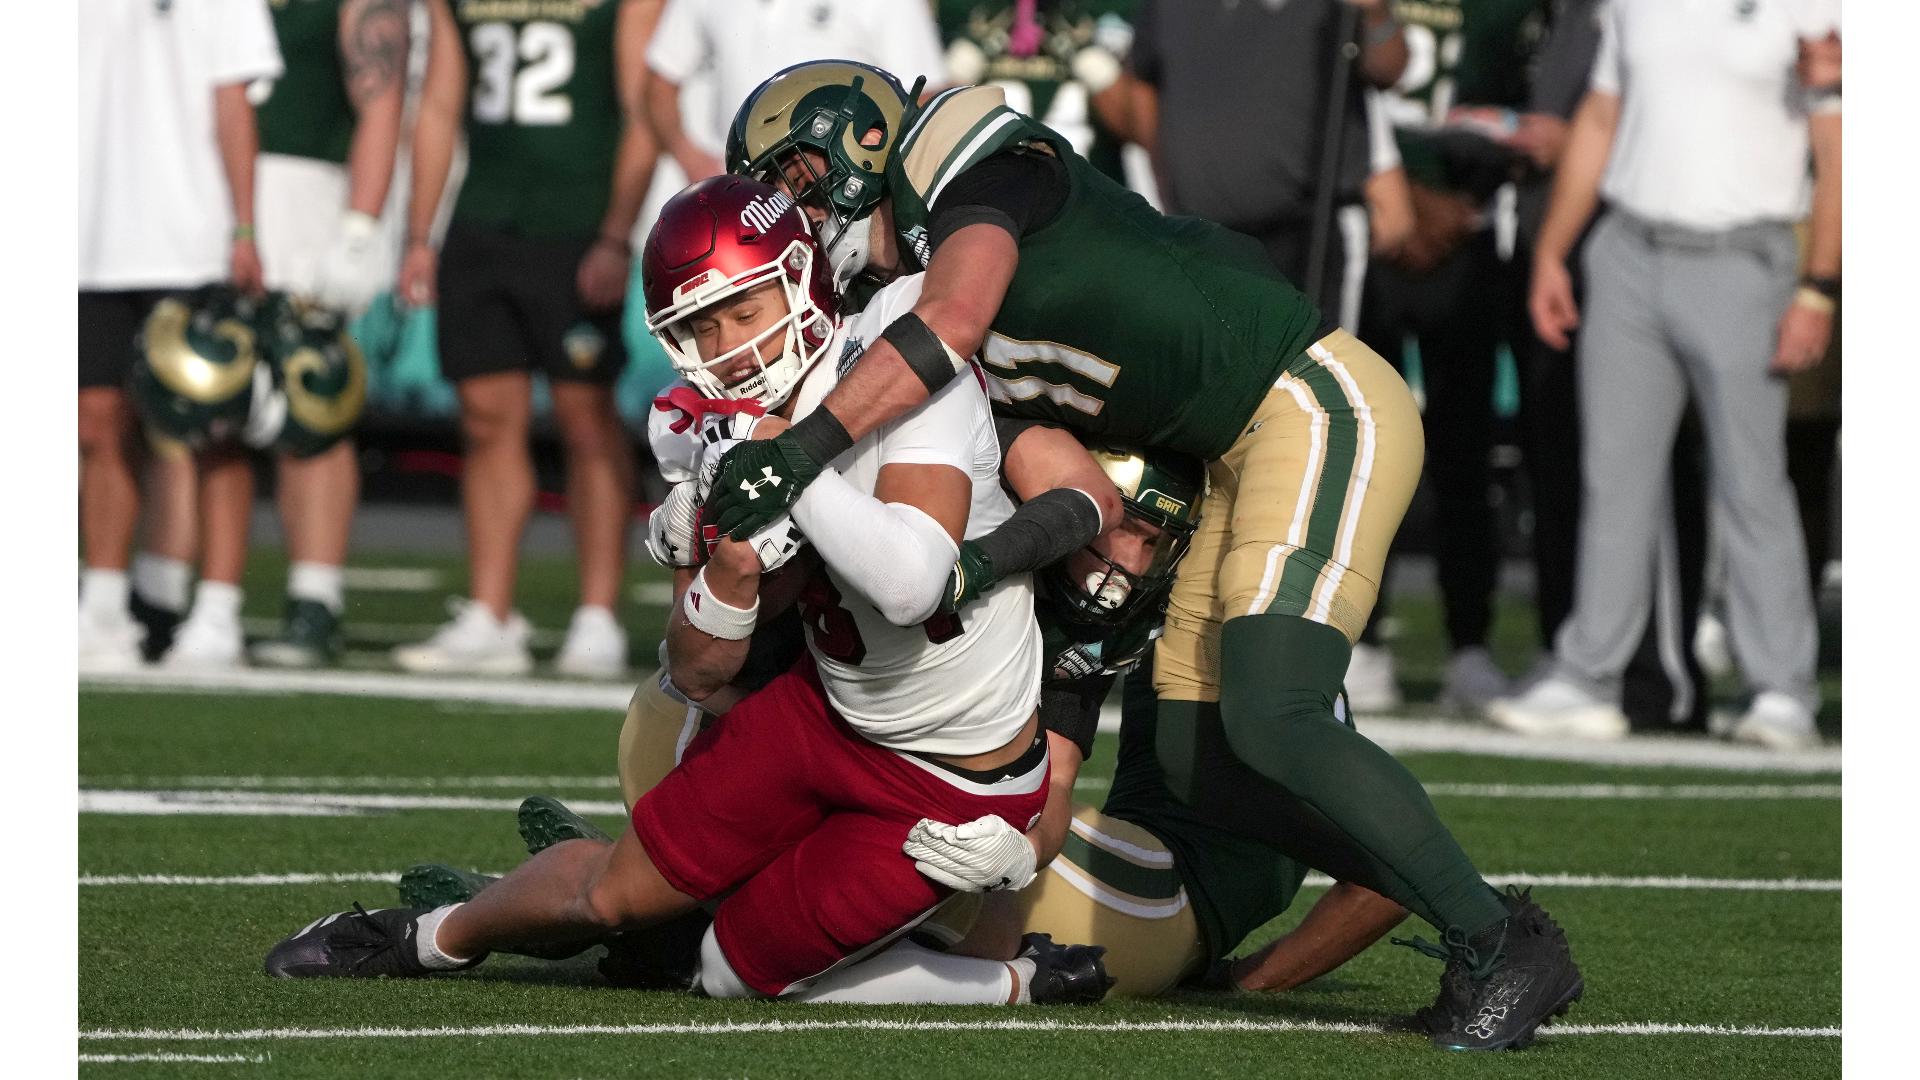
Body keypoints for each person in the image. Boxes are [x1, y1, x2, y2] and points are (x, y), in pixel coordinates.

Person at [702, 60, 1580, 1049]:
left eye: (801, 181)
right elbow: (1074, 480)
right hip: (1222, 454)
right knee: (1203, 768)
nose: (800, 212)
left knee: (1276, 709)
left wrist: (801, 452)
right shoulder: (898, 287)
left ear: (860, 140)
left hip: (1308, 402)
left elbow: (953, 319)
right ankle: (1425, 887)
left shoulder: (965, 164)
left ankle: (1501, 941)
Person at [265, 176, 1082, 1004]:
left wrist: (776, 458)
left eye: (746, 311)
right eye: (701, 326)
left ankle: (1013, 980)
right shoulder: (705, 426)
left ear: (803, 278)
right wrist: (727, 570)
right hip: (824, 712)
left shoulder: (896, 356)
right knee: (615, 889)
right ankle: (427, 936)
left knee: (732, 972)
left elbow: (911, 585)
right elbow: (695, 671)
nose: (730, 348)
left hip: (949, 778)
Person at [403, 437, 1412, 1005]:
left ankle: (641, 922)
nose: (1121, 563)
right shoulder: (1056, 599)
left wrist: (1243, 983)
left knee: (965, 871)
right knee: (692, 728)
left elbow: (1386, 869)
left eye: (1145, 536)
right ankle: (633, 905)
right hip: (1090, 841)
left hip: (1163, 901)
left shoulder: (1244, 637)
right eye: (1111, 529)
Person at [1495, 0, 1841, 749]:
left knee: (1751, 480)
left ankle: (1780, 687)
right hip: (1627, 250)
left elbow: (1837, 137)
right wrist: (1554, 251)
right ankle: (1590, 675)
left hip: (1744, 255)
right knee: (1613, 474)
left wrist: (1820, 285)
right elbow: (1599, 116)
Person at [391, 0, 661, 678]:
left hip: (575, 224)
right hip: (483, 221)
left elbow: (642, 110)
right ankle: (492, 612)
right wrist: (419, 235)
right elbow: (439, 103)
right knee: (485, 420)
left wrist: (615, 233)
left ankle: (597, 614)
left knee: (585, 419)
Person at [137, 0, 409, 670]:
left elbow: (381, 98)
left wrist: (360, 224)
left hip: (302, 196)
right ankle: (186, 594)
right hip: (199, 194)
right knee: (200, 404)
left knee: (309, 404)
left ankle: (314, 597)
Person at [78, 0, 284, 672]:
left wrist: (245, 227)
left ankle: (217, 610)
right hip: (89, 237)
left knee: (214, 431)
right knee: (96, 424)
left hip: (190, 236)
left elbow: (234, 101)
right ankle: (103, 608)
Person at [1127, 0, 1407, 313]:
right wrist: (1168, 184)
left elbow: (1387, 69)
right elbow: (1144, 77)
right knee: (1216, 360)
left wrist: (1375, 14)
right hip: (1202, 232)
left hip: (1309, 230)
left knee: (1309, 360)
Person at [644, 0, 946, 184]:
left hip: (844, 196)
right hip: (743, 193)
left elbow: (925, 95)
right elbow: (661, 81)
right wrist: (692, 159)